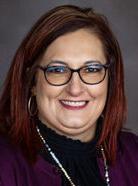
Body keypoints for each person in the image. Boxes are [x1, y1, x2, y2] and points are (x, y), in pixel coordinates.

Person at [0, 4, 137, 186]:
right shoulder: (4, 163)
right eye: (57, 69)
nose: (75, 88)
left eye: (91, 69)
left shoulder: (133, 152)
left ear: (110, 80)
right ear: (32, 81)